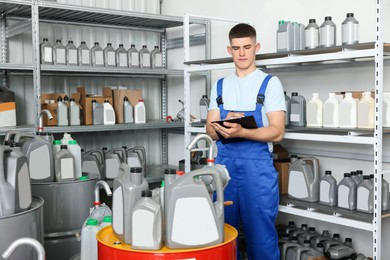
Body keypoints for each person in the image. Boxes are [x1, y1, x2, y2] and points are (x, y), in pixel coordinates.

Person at [206, 23, 286, 260]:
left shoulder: (270, 83)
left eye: (247, 47)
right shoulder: (220, 85)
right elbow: (210, 131)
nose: (242, 53)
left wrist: (242, 131)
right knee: (223, 236)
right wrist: (225, 124)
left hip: (257, 174)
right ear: (229, 50)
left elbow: (277, 131)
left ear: (256, 47)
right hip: (224, 173)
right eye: (236, 48)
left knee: (261, 240)